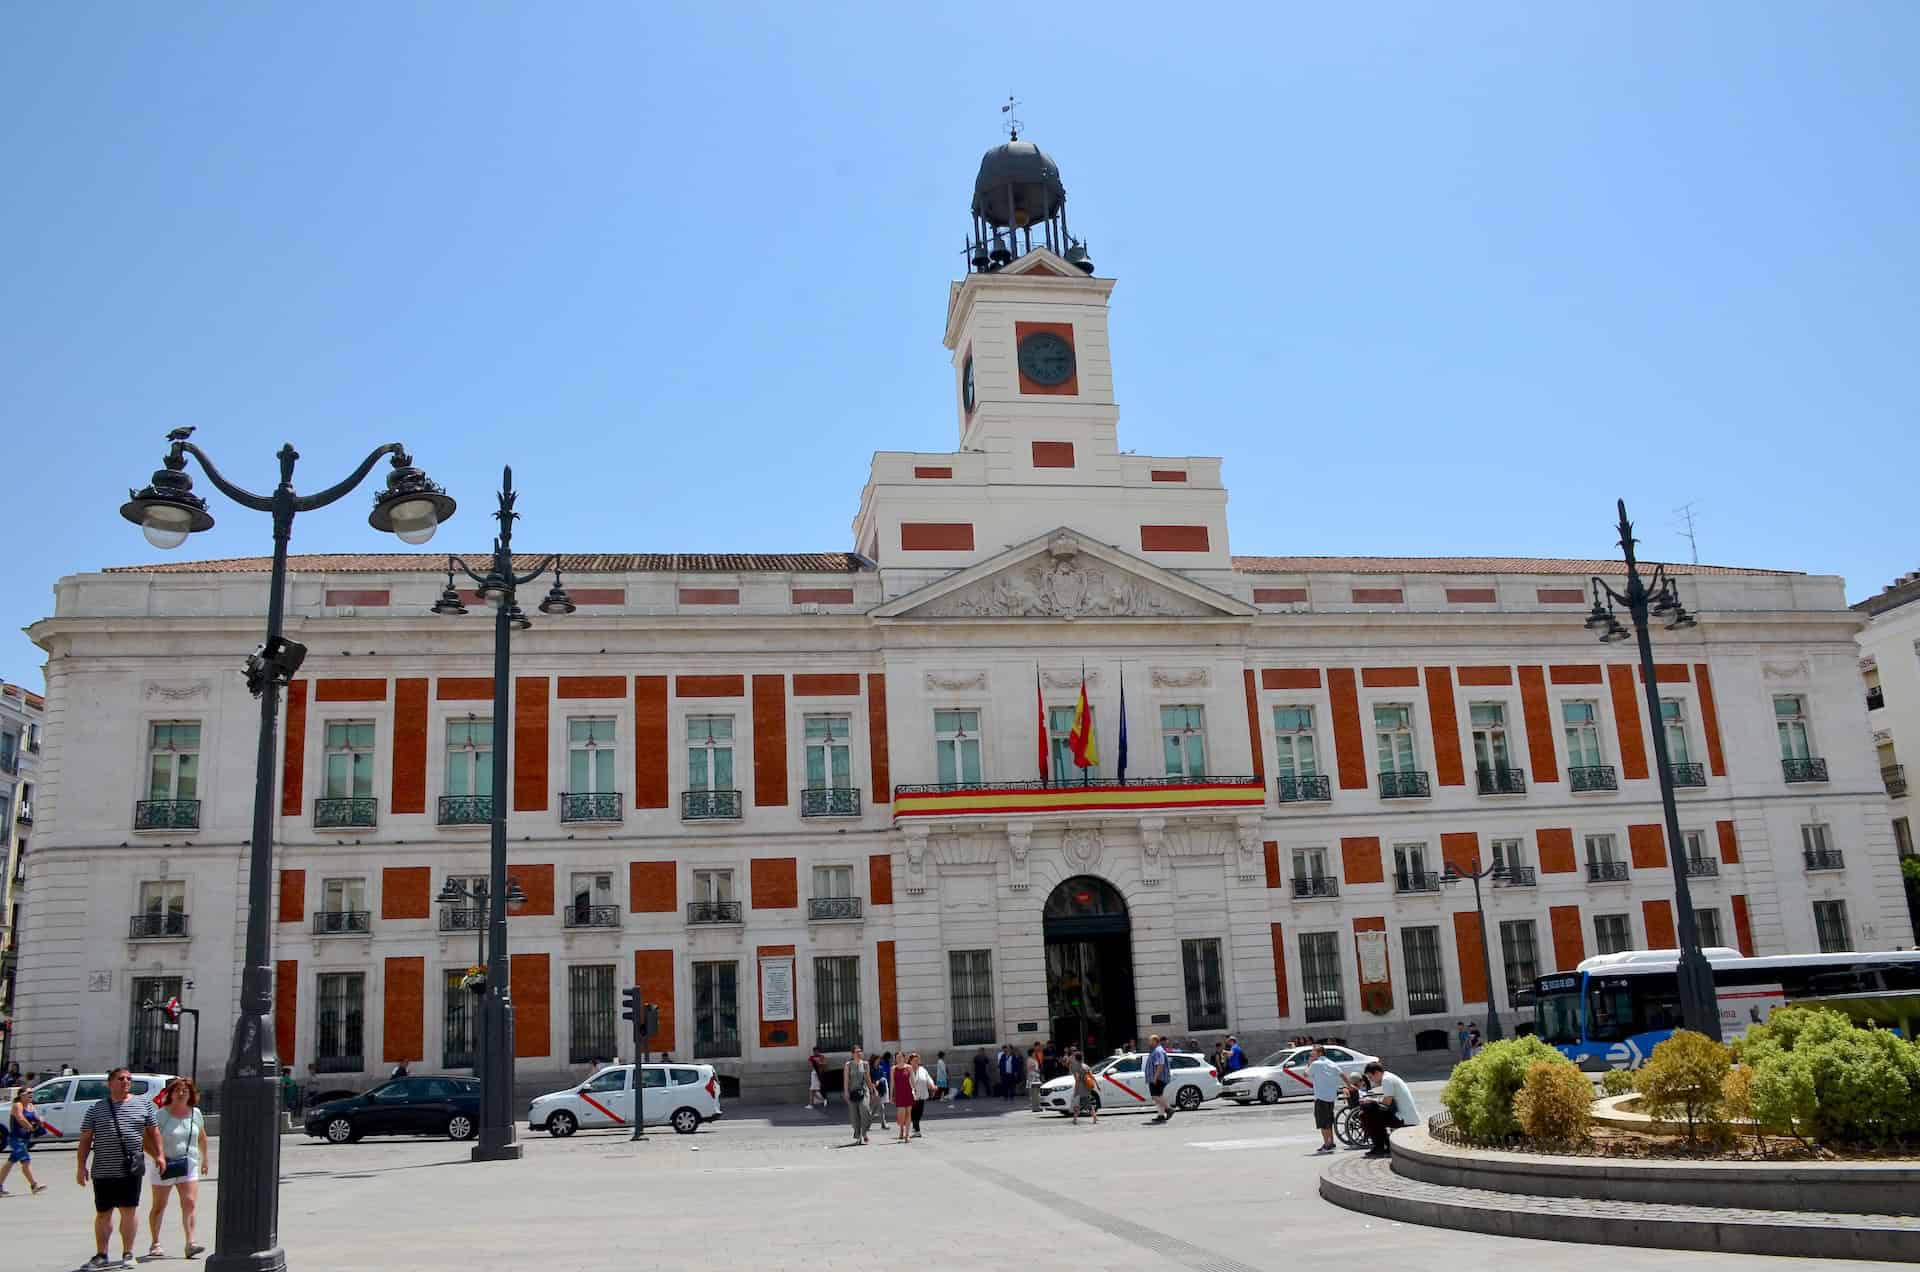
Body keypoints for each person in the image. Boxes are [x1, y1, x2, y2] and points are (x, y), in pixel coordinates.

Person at [76, 1067, 163, 1269]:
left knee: (128, 1210)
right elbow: (85, 1140)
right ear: (110, 1083)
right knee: (103, 1213)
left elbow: (154, 1132)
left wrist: (159, 1155)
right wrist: (81, 1166)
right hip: (103, 1169)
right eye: (121, 1079)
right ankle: (101, 1254)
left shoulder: (144, 1105)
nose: (126, 1082)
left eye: (128, 1079)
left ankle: (128, 1253)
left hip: (130, 1168)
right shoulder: (96, 1109)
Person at [145, 1077, 210, 1260]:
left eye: (185, 1091)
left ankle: (190, 1243)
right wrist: (158, 1157)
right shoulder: (161, 1115)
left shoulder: (195, 1113)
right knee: (159, 1205)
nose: (181, 1094)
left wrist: (205, 1159)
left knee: (189, 1202)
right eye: (177, 1090)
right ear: (170, 1094)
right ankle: (155, 1243)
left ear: (190, 1094)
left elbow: (202, 1137)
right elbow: (146, 1139)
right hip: (164, 1165)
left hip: (188, 1163)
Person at [1358, 1061, 1422, 1157]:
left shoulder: (1387, 1080)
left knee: (1369, 1112)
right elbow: (1386, 1102)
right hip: (1402, 1115)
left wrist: (1371, 1101)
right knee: (1367, 1114)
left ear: (1377, 1073)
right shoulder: (1389, 1077)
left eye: (1371, 1077)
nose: (1372, 1081)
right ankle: (1382, 1146)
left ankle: (1381, 1146)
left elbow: (1386, 1102)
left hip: (1404, 1118)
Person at [1, 1081, 49, 1196]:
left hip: (25, 1139)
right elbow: (21, 1119)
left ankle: (33, 1186)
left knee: (22, 1162)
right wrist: (31, 1128)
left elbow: (37, 1118)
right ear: (21, 1095)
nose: (31, 1094)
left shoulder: (31, 1106)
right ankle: (33, 1185)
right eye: (28, 1093)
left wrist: (41, 1121)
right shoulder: (17, 1105)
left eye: (32, 1093)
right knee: (17, 1161)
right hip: (16, 1139)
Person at [1308, 1042, 1354, 1154]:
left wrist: (1309, 1064)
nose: (1311, 1053)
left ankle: (1327, 1144)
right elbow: (1342, 1074)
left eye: (1313, 1051)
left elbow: (1306, 1074)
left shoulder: (1315, 1064)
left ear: (1319, 1052)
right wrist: (1349, 1085)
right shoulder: (1331, 1063)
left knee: (1323, 1122)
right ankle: (1331, 1142)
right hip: (1331, 1097)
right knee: (1329, 1120)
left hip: (1320, 1097)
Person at [843, 1045, 878, 1146]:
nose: (859, 1053)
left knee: (865, 1110)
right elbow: (846, 1079)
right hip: (852, 1091)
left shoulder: (865, 1064)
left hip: (864, 1091)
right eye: (857, 1051)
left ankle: (864, 1132)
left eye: (860, 1051)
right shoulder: (848, 1065)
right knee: (854, 1115)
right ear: (853, 1053)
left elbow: (868, 1078)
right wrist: (846, 1092)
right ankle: (858, 1136)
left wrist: (872, 1090)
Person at [1145, 1035, 1174, 1124]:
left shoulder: (1158, 1051)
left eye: (1150, 1041)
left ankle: (1168, 1109)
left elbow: (1160, 1065)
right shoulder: (1155, 1051)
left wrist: (1155, 1077)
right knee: (1159, 1096)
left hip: (1158, 1078)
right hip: (1156, 1077)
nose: (1148, 1043)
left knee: (1155, 1096)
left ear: (1155, 1041)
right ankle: (1161, 1115)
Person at [1067, 1047, 1098, 1125]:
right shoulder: (1086, 1066)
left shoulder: (1077, 1067)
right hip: (1087, 1087)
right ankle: (1075, 1119)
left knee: (1083, 1104)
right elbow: (1091, 1076)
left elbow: (1077, 1079)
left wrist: (1076, 1090)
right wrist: (1097, 1084)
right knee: (1083, 1103)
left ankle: (1094, 1117)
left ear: (1076, 1059)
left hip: (1081, 1088)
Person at [891, 1051, 915, 1142]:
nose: (899, 1059)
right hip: (899, 1094)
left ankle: (907, 1135)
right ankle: (901, 1127)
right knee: (902, 1115)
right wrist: (891, 1096)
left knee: (908, 1113)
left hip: (908, 1092)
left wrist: (915, 1091)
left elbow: (913, 1080)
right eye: (897, 1057)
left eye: (901, 1057)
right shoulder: (893, 1068)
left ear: (904, 1058)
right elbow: (892, 1083)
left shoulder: (909, 1067)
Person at [909, 1052, 933, 1138]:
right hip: (911, 1094)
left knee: (919, 1112)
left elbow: (928, 1078)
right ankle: (916, 1129)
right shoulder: (908, 1069)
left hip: (922, 1094)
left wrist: (932, 1085)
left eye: (917, 1060)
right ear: (910, 1061)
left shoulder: (922, 1069)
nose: (916, 1062)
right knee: (913, 1112)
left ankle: (915, 1128)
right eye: (914, 1060)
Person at [807, 1044, 828, 1109]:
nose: (816, 1052)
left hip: (820, 1073)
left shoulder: (822, 1056)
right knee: (813, 1089)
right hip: (814, 1073)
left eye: (817, 1051)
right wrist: (818, 1063)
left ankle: (813, 1103)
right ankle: (822, 1100)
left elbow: (825, 1064)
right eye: (815, 1051)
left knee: (815, 1089)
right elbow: (811, 1065)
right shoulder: (811, 1057)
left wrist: (820, 1063)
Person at [1026, 1045, 1044, 1113]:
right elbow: (1030, 1068)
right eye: (1034, 1052)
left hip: (1035, 1077)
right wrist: (1037, 1070)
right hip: (1032, 1077)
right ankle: (1035, 1107)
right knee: (1034, 1093)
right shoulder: (1029, 1059)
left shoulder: (1034, 1059)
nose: (1035, 1053)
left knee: (1037, 1093)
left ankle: (1037, 1107)